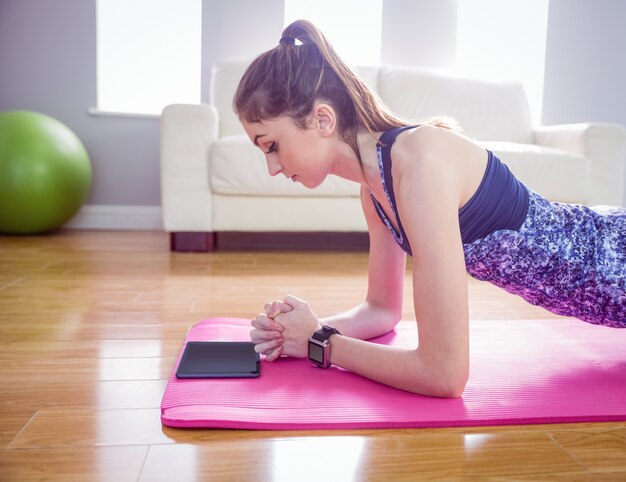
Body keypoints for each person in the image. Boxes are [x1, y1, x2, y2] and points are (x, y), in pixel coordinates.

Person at [233, 19, 626, 398]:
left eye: (271, 146)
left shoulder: (420, 165)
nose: (271, 168)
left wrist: (322, 343)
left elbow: (444, 374)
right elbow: (381, 310)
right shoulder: (375, 189)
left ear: (322, 119)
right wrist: (302, 330)